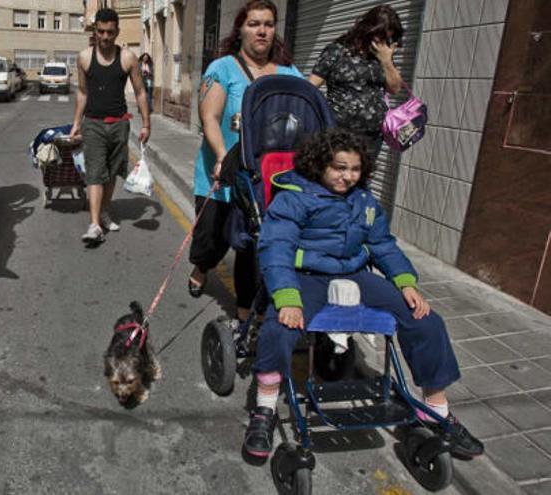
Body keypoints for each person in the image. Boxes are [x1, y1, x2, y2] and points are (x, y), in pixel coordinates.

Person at [241, 129, 484, 461]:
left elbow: (383, 244)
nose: (347, 177)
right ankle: (264, 411)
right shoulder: (294, 197)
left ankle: (436, 410)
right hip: (306, 277)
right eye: (339, 168)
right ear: (320, 164)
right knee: (277, 330)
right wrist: (287, 299)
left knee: (425, 320)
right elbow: (276, 248)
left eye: (355, 169)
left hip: (356, 273)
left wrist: (406, 282)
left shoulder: (364, 201)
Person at [187, 0, 301, 325]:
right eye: (254, 23)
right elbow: (209, 117)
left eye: (268, 23)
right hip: (221, 176)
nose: (262, 30)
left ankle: (244, 310)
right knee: (212, 241)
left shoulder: (289, 73)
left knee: (250, 247)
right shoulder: (222, 69)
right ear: (240, 29)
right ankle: (201, 267)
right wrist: (223, 156)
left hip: (263, 182)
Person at [71, 8, 151, 245]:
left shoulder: (128, 58)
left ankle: (104, 212)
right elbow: (83, 92)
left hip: (119, 125)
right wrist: (77, 123)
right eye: (101, 32)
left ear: (117, 32)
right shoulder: (84, 57)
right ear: (95, 31)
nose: (105, 37)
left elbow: (140, 92)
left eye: (110, 32)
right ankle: (94, 224)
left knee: (112, 172)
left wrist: (146, 124)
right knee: (95, 173)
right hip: (93, 124)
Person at [308, 5, 404, 161]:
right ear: (367, 30)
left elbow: (395, 88)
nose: (382, 43)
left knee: (362, 181)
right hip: (338, 134)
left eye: (388, 39)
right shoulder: (337, 51)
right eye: (379, 37)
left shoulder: (382, 57)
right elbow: (310, 87)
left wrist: (386, 60)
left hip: (372, 137)